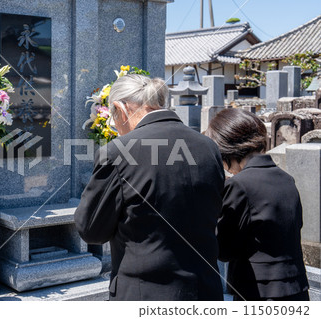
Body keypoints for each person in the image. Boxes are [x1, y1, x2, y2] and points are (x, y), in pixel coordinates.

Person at [74, 74, 225, 301]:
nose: (115, 126)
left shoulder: (119, 152)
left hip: (145, 292)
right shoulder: (208, 146)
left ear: (120, 109)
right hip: (205, 289)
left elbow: (91, 230)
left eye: (113, 118)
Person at [205, 108, 309, 301]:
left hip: (258, 291)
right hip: (296, 288)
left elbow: (224, 249)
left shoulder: (239, 185)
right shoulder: (286, 179)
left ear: (226, 149)